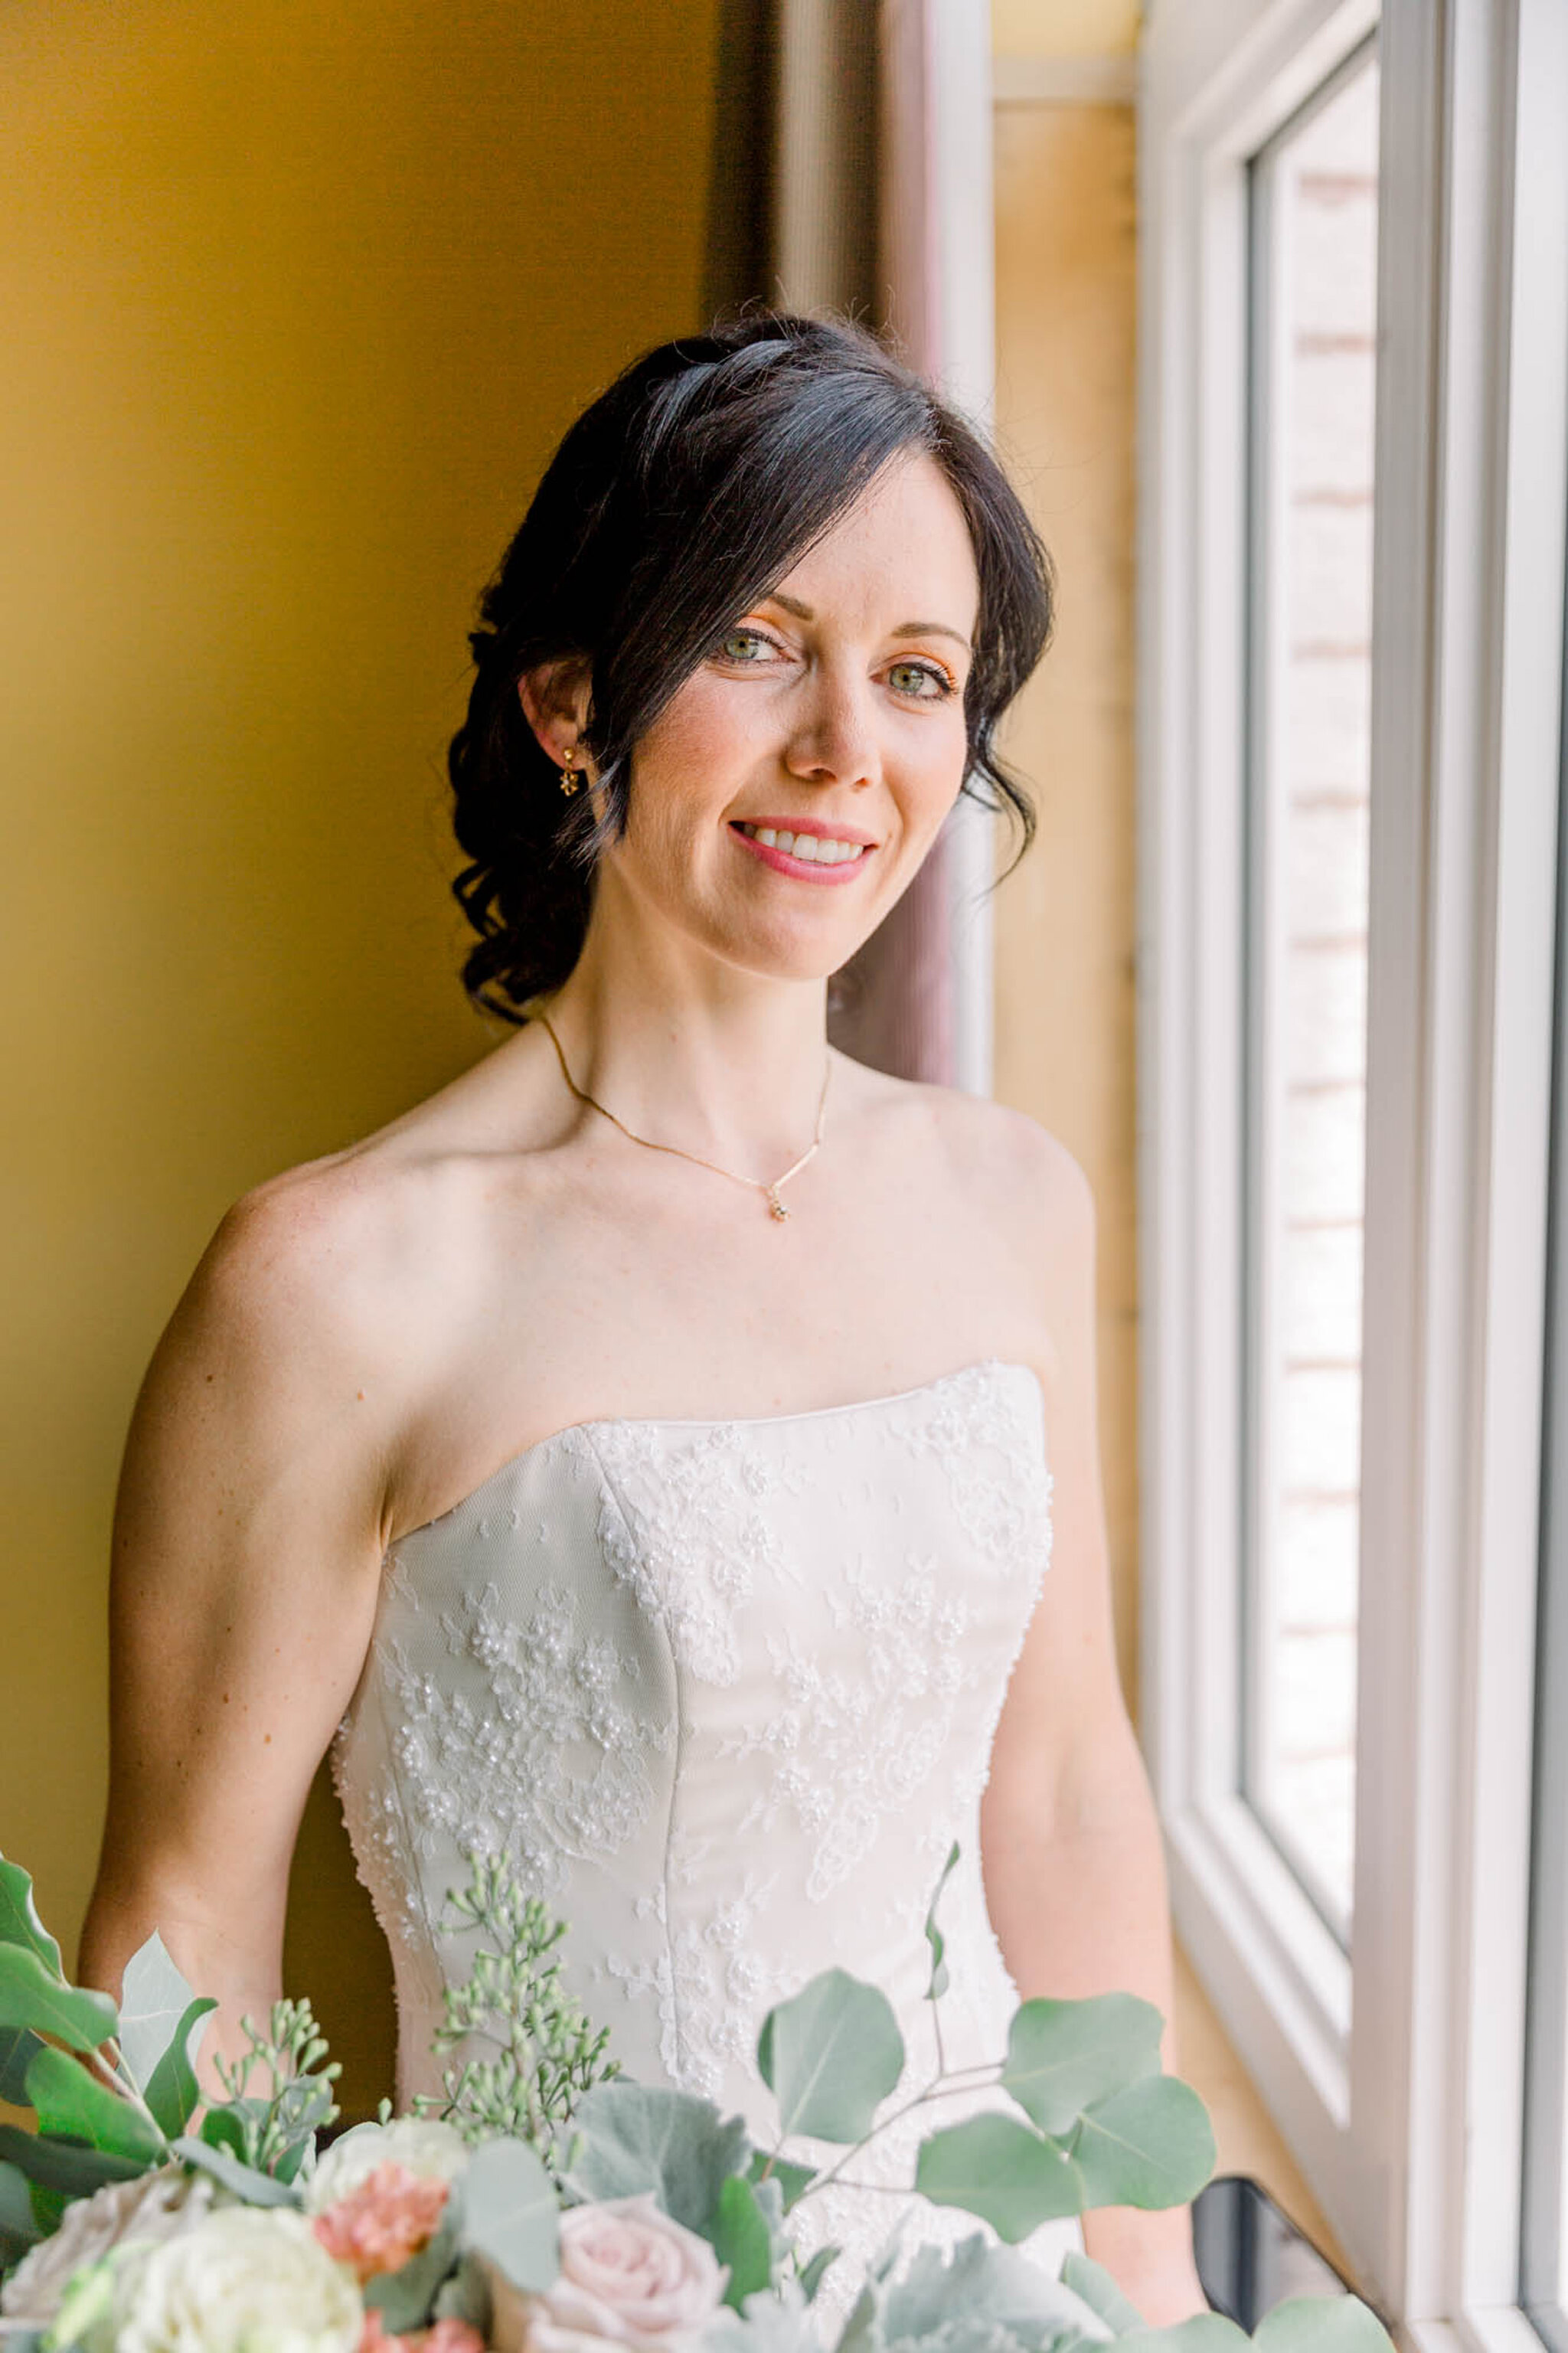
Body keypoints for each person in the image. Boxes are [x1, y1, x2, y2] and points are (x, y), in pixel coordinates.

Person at [77, 312, 1207, 2328]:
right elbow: (181, 1931)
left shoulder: (1015, 1200)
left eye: (919, 676)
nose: (847, 749)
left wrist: (1152, 2298)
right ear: (573, 699)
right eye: (759, 642)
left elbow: (1062, 1789)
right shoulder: (337, 1279)